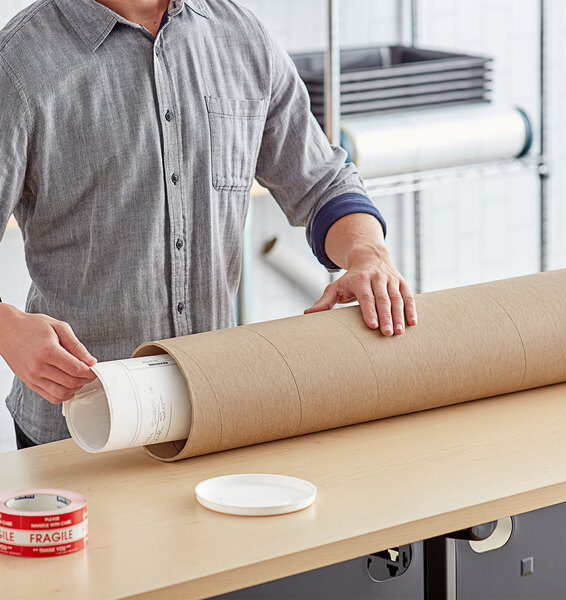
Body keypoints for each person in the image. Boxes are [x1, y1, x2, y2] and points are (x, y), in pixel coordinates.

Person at [0, 0, 417, 449]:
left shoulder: (240, 35)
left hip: (213, 413)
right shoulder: (21, 63)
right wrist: (7, 330)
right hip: (77, 428)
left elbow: (322, 182)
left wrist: (367, 254)